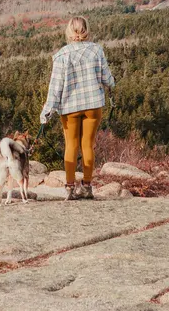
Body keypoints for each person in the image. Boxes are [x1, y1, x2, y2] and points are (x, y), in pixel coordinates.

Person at [39, 16, 115, 200]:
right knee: (88, 145)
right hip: (93, 105)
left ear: (69, 32)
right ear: (86, 30)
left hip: (70, 106)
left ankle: (70, 188)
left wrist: (47, 111)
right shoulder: (97, 50)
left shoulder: (62, 55)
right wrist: (111, 84)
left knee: (71, 146)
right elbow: (108, 79)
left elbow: (55, 87)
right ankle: (87, 187)